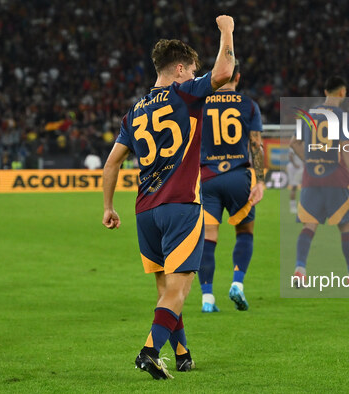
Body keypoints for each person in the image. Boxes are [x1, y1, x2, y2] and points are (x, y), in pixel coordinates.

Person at [101, 15, 235, 379]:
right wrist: (227, 31)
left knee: (167, 291)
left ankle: (183, 353)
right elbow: (223, 72)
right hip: (180, 206)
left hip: (146, 211)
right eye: (191, 69)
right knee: (179, 291)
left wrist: (109, 207)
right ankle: (148, 351)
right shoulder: (185, 93)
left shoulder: (135, 110)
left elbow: (112, 164)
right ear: (179, 69)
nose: (194, 75)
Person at [197, 59, 265, 313]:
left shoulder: (200, 105)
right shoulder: (249, 105)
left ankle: (207, 298)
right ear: (238, 77)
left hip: (208, 178)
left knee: (208, 237)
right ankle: (237, 283)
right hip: (239, 176)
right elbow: (256, 145)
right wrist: (261, 181)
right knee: (245, 232)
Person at [290, 76, 349, 286]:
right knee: (346, 225)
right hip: (336, 178)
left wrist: (311, 160)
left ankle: (300, 270)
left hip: (312, 178)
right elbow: (346, 148)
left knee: (309, 225)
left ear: (325, 92)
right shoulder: (342, 117)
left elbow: (295, 143)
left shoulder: (308, 115)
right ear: (343, 92)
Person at [286, 147, 303, 213]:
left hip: (301, 168)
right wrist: (295, 164)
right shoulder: (294, 145)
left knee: (304, 187)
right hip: (295, 168)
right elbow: (290, 155)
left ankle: (303, 206)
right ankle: (293, 207)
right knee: (294, 187)